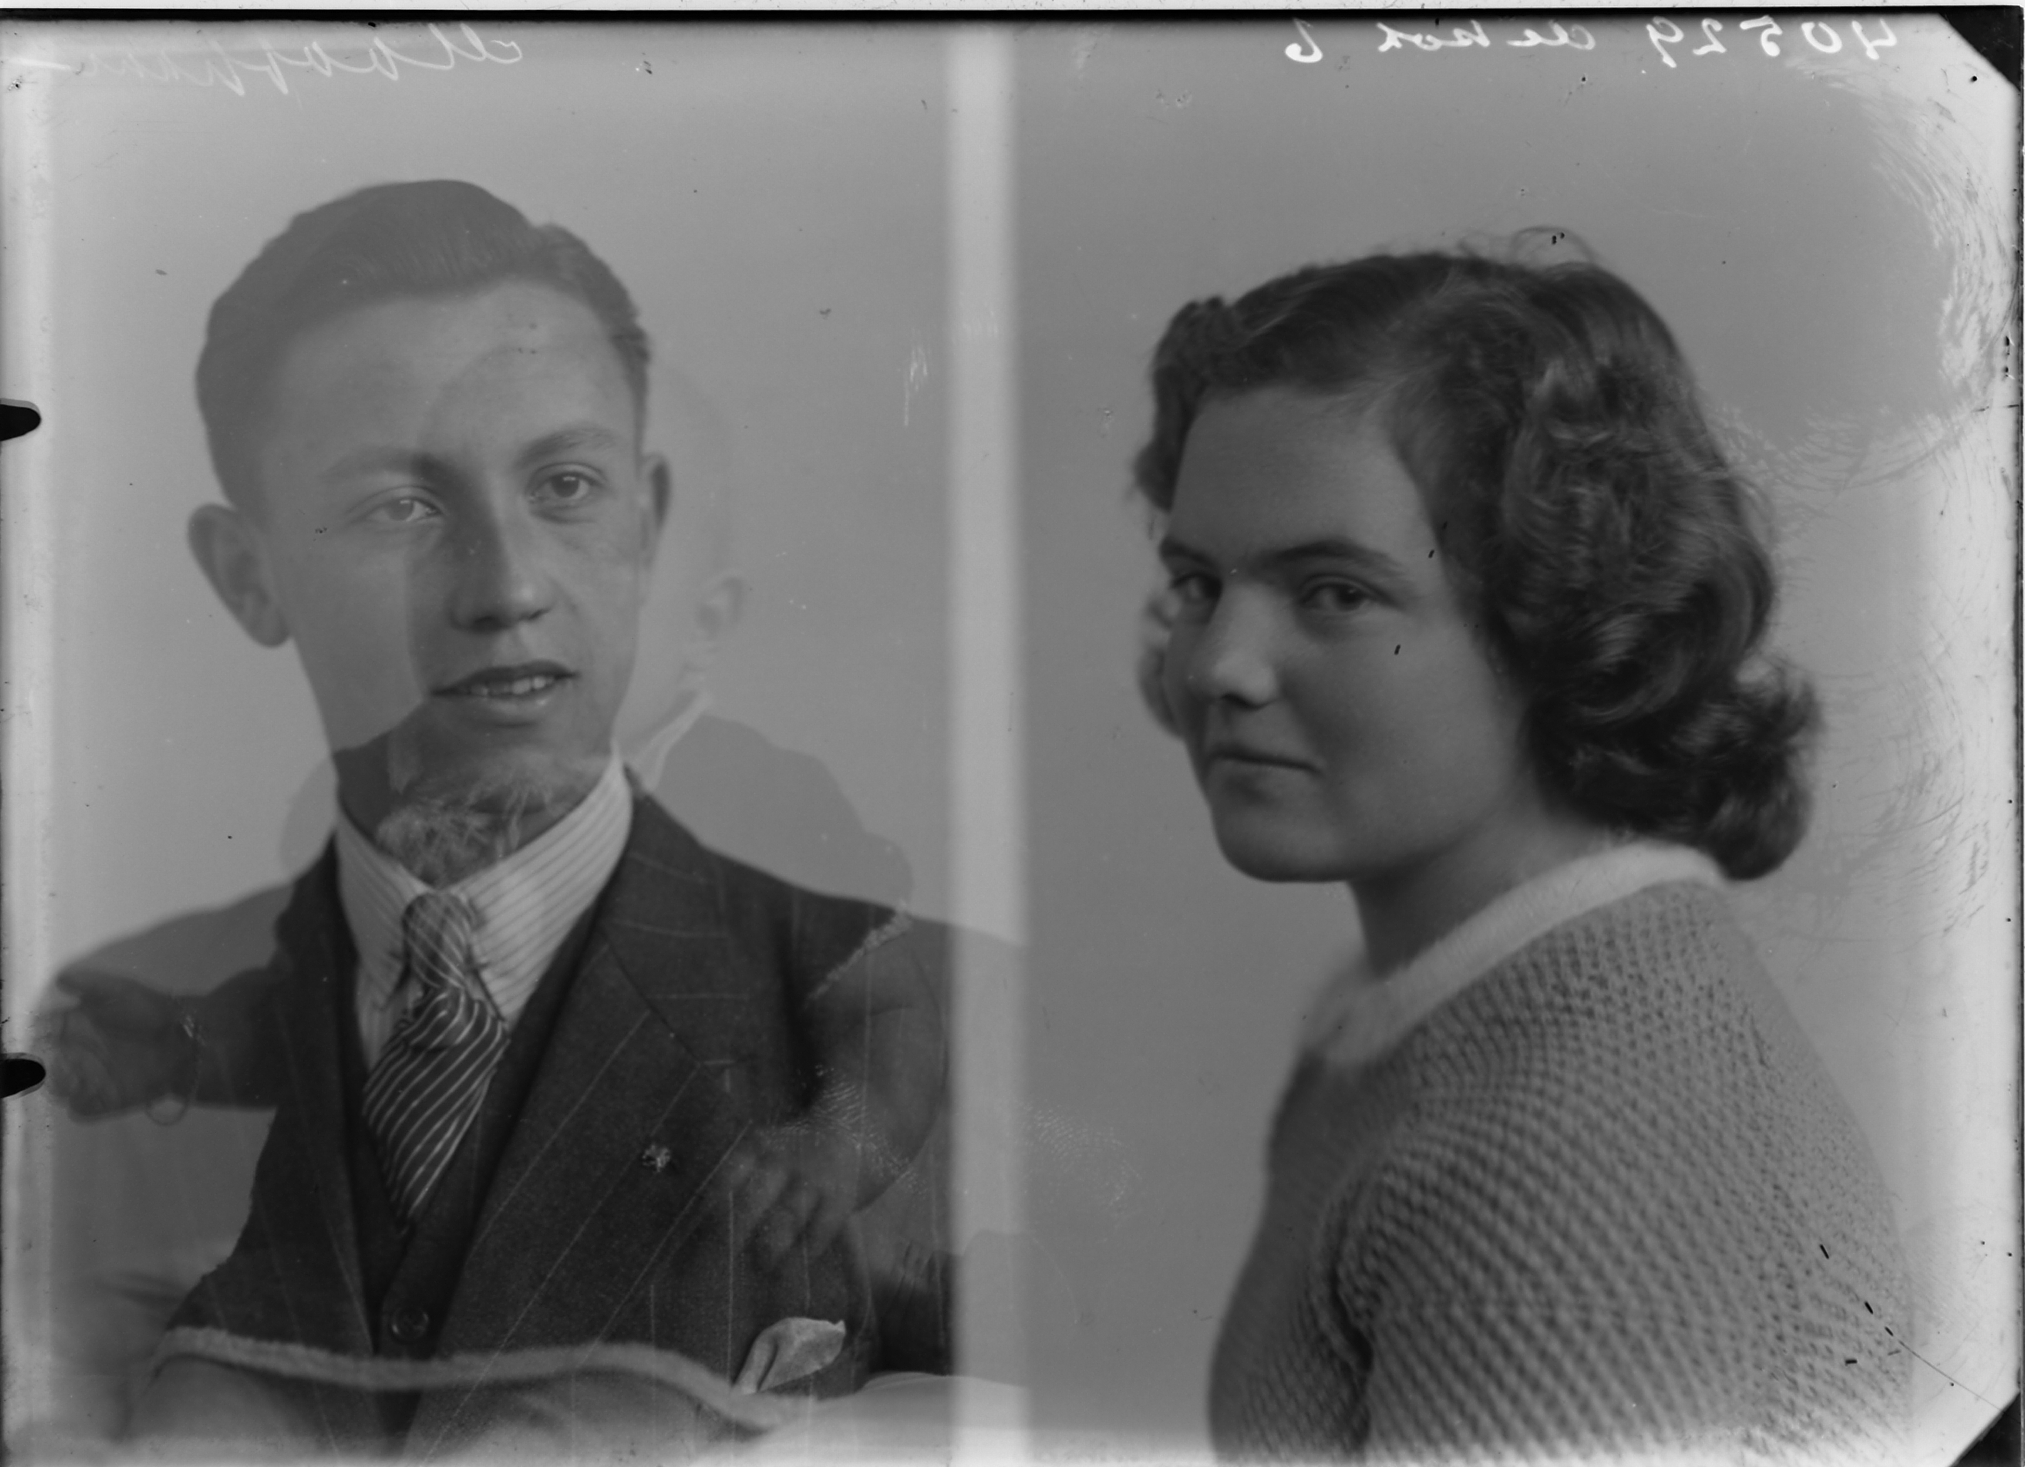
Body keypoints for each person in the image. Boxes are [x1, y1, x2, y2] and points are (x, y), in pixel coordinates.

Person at [39, 178, 948, 1458]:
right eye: (399, 507)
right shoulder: (131, 1014)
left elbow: (885, 999)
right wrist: (176, 1048)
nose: (510, 589)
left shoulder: (775, 876)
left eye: (567, 485)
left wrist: (840, 1146)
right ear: (249, 577)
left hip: (641, 1337)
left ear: (647, 525)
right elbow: (283, 1028)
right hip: (296, 1337)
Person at [1131, 242, 1911, 1461]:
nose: (1220, 665)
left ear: (1557, 623)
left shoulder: (1567, 1157)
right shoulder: (1462, 1024)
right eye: (1197, 583)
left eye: (1334, 592)